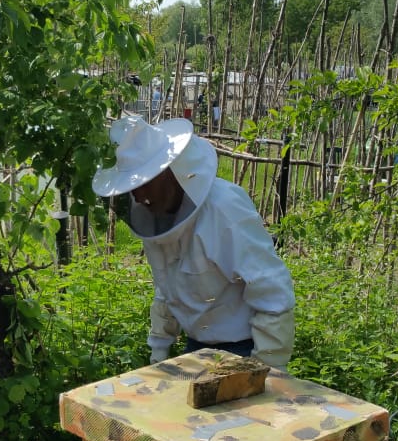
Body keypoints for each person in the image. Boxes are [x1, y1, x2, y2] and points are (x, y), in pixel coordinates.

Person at [92, 114, 295, 367]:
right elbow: (166, 286)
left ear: (172, 173)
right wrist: (158, 351)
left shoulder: (224, 209)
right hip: (196, 348)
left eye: (145, 183)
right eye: (132, 187)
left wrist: (266, 368)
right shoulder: (155, 219)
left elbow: (271, 289)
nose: (139, 196)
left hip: (245, 348)